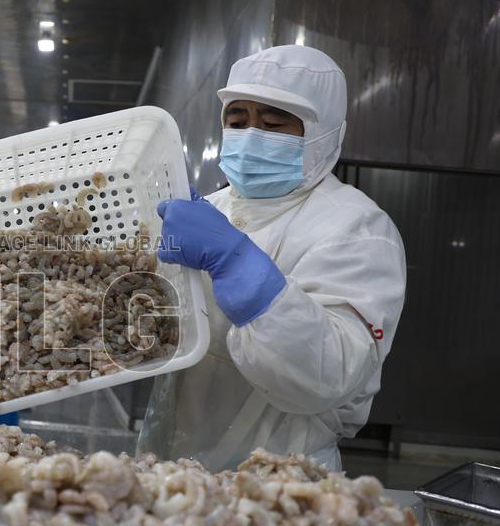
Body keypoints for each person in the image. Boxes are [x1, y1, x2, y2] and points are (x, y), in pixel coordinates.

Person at [139, 45, 406, 472]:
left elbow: (331, 373)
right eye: (237, 121)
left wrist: (239, 267)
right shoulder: (209, 210)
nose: (250, 136)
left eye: (273, 123)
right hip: (169, 466)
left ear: (322, 132)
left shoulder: (358, 228)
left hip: (280, 479)